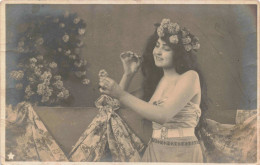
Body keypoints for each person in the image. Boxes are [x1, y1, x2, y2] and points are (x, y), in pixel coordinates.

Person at [98, 18, 207, 162]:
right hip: (155, 150)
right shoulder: (156, 83)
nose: (158, 52)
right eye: (157, 45)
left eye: (166, 49)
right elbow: (116, 105)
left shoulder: (190, 77)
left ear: (179, 54)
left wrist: (120, 93)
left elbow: (163, 115)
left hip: (182, 152)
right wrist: (128, 75)